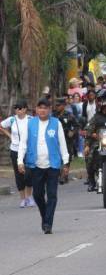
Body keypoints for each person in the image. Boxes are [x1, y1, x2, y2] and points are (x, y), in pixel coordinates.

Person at [17, 99, 70, 233]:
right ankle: (45, 214)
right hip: (35, 165)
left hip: (53, 164)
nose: (42, 110)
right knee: (38, 194)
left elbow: (62, 144)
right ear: (36, 109)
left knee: (52, 195)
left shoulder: (56, 123)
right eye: (40, 108)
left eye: (45, 108)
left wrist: (66, 162)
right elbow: (23, 143)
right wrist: (20, 161)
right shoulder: (30, 123)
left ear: (50, 109)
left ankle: (48, 224)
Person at [1, 101, 33, 207]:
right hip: (15, 150)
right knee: (18, 175)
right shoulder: (12, 119)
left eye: (19, 108)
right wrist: (10, 136)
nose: (17, 111)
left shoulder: (31, 120)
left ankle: (29, 197)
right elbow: (1, 126)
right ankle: (23, 199)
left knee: (28, 174)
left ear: (25, 109)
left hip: (28, 151)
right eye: (16, 109)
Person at [52, 98, 78, 184]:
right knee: (57, 157)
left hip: (67, 139)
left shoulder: (69, 115)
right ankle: (59, 174)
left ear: (63, 106)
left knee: (67, 157)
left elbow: (77, 125)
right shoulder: (53, 115)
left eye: (58, 105)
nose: (57, 107)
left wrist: (72, 132)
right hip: (55, 139)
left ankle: (64, 176)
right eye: (56, 105)